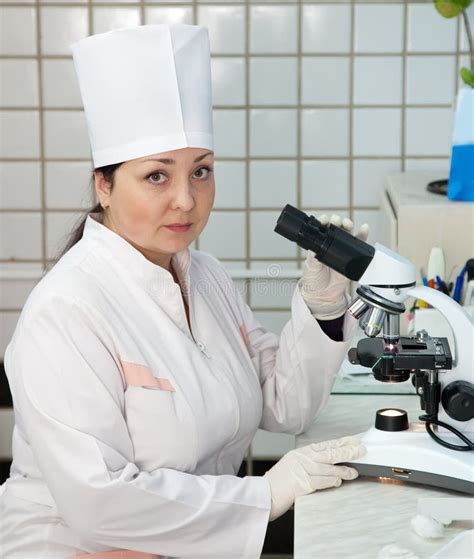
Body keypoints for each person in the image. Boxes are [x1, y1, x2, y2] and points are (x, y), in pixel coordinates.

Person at [0, 24, 368, 559]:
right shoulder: (65, 311)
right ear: (104, 185)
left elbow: (284, 406)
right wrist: (264, 492)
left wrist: (324, 307)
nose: (186, 201)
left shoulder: (207, 278)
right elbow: (97, 503)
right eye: (156, 176)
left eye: (201, 171)